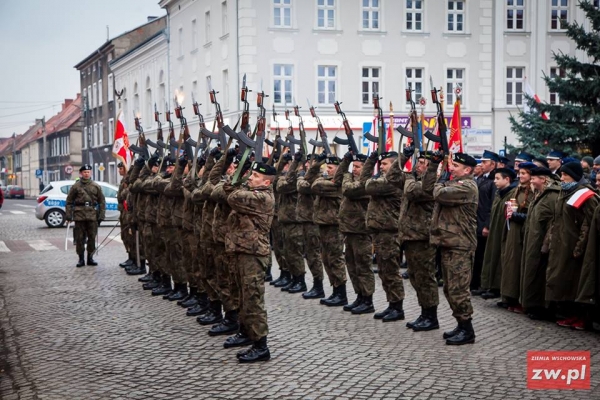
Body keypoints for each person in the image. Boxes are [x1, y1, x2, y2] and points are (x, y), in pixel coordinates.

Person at [424, 152, 478, 345]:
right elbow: (428, 188)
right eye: (452, 164)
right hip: (449, 242)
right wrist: (433, 167)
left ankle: (467, 330)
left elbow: (439, 193)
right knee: (449, 288)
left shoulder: (468, 187)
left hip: (460, 245)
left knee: (458, 289)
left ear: (467, 170)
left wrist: (441, 180)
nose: (451, 168)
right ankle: (460, 324)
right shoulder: (452, 183)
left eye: (455, 166)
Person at [224, 162, 275, 363]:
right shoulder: (253, 192)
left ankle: (261, 346)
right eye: (250, 174)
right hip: (242, 251)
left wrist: (238, 178)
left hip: (253, 254)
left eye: (254, 176)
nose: (250, 178)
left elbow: (232, 196)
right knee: (243, 297)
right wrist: (238, 174)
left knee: (253, 300)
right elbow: (229, 189)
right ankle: (246, 333)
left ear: (266, 181)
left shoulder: (263, 198)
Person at [547, 161, 598, 330]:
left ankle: (582, 317)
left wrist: (579, 247)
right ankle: (570, 314)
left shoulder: (585, 195)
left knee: (577, 284)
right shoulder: (565, 192)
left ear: (575, 176)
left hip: (576, 247)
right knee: (565, 282)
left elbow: (588, 225)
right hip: (562, 245)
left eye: (565, 175)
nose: (561, 178)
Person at [395, 148, 440, 331]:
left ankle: (431, 316)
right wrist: (404, 156)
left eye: (422, 163)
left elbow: (414, 191)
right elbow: (393, 177)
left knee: (425, 277)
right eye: (418, 162)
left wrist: (410, 177)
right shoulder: (414, 180)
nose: (417, 165)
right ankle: (424, 312)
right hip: (410, 236)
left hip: (422, 237)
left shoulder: (431, 184)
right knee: (415, 277)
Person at [361, 150, 406, 322]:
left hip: (390, 232)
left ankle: (398, 306)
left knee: (391, 271)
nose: (381, 166)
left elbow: (367, 185)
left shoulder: (393, 182)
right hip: (380, 232)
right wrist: (371, 161)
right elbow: (365, 181)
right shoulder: (383, 179)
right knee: (384, 271)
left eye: (385, 164)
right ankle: (392, 303)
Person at [334, 150, 374, 314]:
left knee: (363, 266)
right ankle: (359, 296)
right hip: (349, 230)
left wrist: (348, 176)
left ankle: (368, 299)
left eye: (358, 167)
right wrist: (345, 162)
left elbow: (349, 190)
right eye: (353, 166)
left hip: (361, 231)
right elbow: (337, 180)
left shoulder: (368, 183)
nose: (354, 169)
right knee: (352, 266)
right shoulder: (350, 178)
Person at [306, 155, 348, 306]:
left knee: (335, 259)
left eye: (330, 168)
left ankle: (341, 293)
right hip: (324, 225)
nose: (326, 170)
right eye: (326, 167)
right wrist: (317, 164)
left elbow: (314, 185)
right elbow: (308, 180)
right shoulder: (326, 181)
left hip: (334, 226)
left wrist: (343, 165)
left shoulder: (338, 185)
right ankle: (335, 289)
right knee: (326, 259)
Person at [520, 167, 560, 320]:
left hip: (542, 243)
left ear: (543, 179)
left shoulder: (551, 196)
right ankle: (533, 305)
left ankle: (543, 307)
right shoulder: (539, 194)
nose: (531, 181)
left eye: (533, 179)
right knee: (532, 273)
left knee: (540, 275)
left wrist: (546, 243)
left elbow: (553, 223)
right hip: (533, 240)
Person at [500, 162, 535, 311]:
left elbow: (531, 214)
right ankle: (510, 296)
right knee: (511, 264)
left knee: (520, 265)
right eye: (519, 173)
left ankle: (521, 299)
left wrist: (517, 215)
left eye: (524, 173)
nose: (520, 176)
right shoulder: (517, 190)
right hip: (512, 230)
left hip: (523, 231)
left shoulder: (533, 192)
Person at [480, 167, 517, 300]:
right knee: (492, 257)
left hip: (504, 231)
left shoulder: (512, 194)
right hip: (495, 230)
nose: (494, 181)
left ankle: (499, 288)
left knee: (501, 259)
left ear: (507, 179)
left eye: (497, 178)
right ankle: (492, 286)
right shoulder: (499, 193)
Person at [65, 164, 106, 267]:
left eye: (88, 172)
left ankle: (90, 258)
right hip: (79, 215)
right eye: (84, 172)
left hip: (92, 215)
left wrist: (101, 216)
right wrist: (69, 216)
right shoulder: (76, 186)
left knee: (92, 237)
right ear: (81, 173)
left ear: (90, 173)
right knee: (79, 238)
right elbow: (69, 201)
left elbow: (102, 202)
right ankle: (81, 259)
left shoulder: (96, 186)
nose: (86, 174)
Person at [471, 150, 498, 295]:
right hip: (476, 222)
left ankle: (482, 284)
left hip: (484, 223)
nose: (482, 165)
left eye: (484, 162)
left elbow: (493, 204)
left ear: (492, 164)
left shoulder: (494, 180)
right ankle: (475, 283)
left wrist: (488, 225)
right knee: (477, 255)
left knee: (482, 256)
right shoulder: (482, 179)